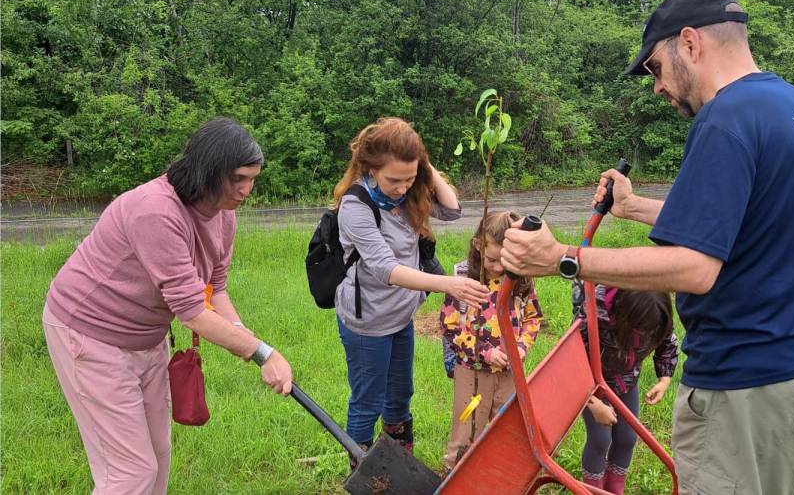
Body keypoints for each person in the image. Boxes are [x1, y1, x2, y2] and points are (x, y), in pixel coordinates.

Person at [500, 0, 794, 493]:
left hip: (753, 387)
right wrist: (632, 207)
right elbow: (745, 223)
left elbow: (695, 267)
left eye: (655, 67)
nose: (656, 87)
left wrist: (561, 258)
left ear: (689, 43)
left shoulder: (724, 117)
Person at [42, 117, 294, 495]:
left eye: (253, 178)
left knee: (158, 457)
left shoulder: (223, 216)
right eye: (239, 179)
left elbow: (214, 290)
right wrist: (262, 354)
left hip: (146, 337)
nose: (247, 190)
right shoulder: (155, 210)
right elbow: (191, 311)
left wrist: (245, 336)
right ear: (210, 171)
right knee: (128, 472)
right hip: (89, 334)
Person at [333, 117, 490, 462]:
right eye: (394, 179)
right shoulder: (356, 206)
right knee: (367, 401)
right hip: (368, 321)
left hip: (400, 315)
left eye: (409, 178)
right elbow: (387, 269)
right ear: (370, 168)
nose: (402, 188)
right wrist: (449, 284)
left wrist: (424, 167)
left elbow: (452, 210)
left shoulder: (407, 193)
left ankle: (399, 466)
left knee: (400, 396)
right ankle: (363, 473)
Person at [439, 210, 544, 469]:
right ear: (478, 245)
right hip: (472, 372)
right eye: (493, 259)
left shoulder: (522, 280)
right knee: (466, 432)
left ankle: (498, 476)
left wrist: (521, 347)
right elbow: (450, 327)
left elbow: (533, 319)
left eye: (506, 261)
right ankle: (456, 477)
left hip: (510, 373)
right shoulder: (463, 279)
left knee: (506, 429)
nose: (499, 268)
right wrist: (484, 352)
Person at [572, 283, 677, 494]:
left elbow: (667, 341)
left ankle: (614, 490)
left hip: (627, 380)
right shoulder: (595, 313)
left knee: (627, 439)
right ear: (624, 314)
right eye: (639, 331)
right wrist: (593, 403)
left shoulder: (656, 316)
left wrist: (664, 378)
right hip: (593, 385)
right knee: (601, 440)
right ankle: (592, 490)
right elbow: (572, 360)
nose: (646, 335)